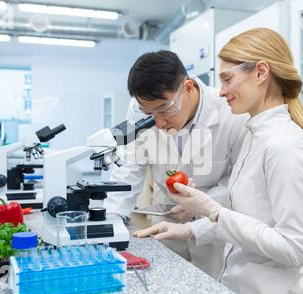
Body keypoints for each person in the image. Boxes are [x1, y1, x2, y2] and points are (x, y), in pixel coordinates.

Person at [134, 28, 303, 294]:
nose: (220, 92)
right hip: (239, 286)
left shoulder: (285, 145)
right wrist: (188, 229)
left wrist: (213, 210)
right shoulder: (254, 136)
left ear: (260, 73)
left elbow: (297, 248)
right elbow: (249, 217)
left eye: (227, 79)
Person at [106, 50, 249, 278]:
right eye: (149, 114)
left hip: (214, 221)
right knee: (166, 281)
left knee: (210, 285)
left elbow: (236, 181)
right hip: (167, 213)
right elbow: (128, 167)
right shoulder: (139, 110)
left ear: (188, 88)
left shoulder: (229, 113)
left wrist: (202, 205)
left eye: (164, 110)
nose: (159, 122)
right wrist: (112, 221)